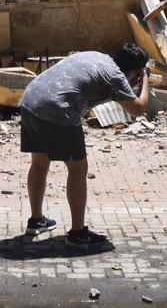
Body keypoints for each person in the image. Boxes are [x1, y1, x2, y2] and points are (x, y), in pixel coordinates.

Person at [17, 43, 150, 249]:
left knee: (39, 163)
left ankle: (36, 221)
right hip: (58, 109)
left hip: (30, 101)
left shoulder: (96, 55)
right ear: (134, 71)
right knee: (78, 169)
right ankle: (78, 233)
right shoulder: (115, 76)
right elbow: (138, 109)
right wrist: (145, 80)